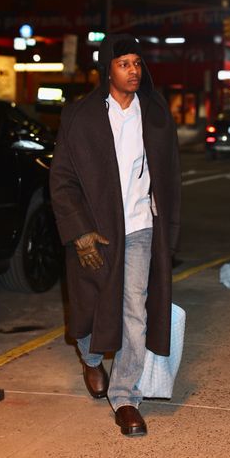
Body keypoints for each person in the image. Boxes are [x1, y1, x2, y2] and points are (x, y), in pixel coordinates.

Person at [50, 33, 181, 437]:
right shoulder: (81, 116)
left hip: (141, 228)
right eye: (124, 63)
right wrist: (79, 232)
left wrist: (167, 226)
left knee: (134, 313)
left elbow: (170, 175)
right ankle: (90, 359)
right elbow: (62, 179)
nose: (133, 71)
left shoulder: (155, 113)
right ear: (107, 68)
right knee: (91, 306)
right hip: (96, 231)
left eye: (138, 63)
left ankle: (125, 396)